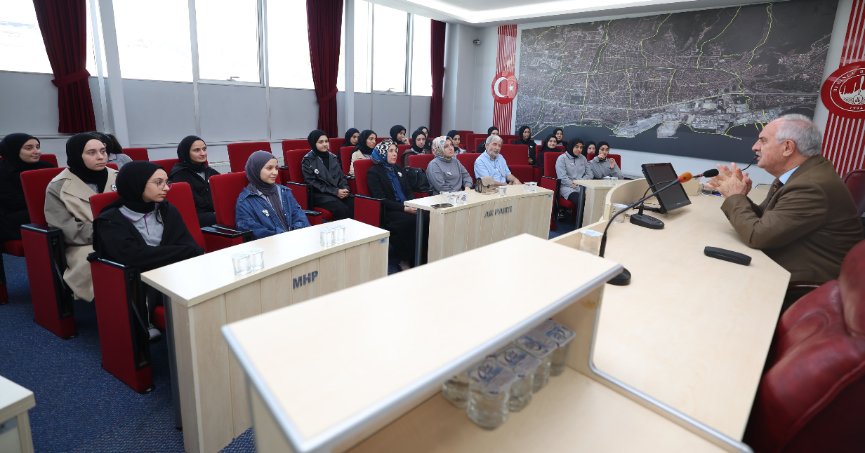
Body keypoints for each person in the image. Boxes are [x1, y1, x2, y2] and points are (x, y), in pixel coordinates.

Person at [708, 114, 863, 284]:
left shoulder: (810, 187)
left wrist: (735, 197)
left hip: (808, 286)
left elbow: (757, 235)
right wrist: (739, 196)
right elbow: (765, 220)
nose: (755, 147)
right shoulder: (803, 173)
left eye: (763, 141)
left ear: (788, 147)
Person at [93, 161, 204, 340]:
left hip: (171, 271)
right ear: (136, 183)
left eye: (167, 182)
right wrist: (178, 252)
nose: (166, 188)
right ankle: (148, 320)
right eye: (158, 182)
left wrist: (172, 253)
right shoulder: (110, 220)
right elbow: (133, 257)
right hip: (137, 279)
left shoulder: (166, 210)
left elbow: (191, 248)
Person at [45, 132, 118, 302]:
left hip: (123, 234)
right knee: (105, 260)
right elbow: (65, 227)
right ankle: (116, 309)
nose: (101, 157)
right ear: (77, 155)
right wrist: (104, 232)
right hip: (84, 242)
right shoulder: (58, 186)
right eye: (91, 153)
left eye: (103, 151)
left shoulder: (117, 176)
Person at [366, 140, 422, 270]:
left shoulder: (397, 168)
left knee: (425, 216)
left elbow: (408, 190)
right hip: (389, 210)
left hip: (406, 206)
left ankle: (420, 256)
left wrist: (413, 204)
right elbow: (381, 199)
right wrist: (404, 208)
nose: (395, 154)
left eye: (396, 151)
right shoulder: (373, 172)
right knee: (411, 221)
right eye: (390, 151)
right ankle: (404, 258)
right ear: (382, 153)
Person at [236, 151, 310, 239]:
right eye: (269, 168)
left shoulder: (284, 191)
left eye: (276, 168)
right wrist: (282, 236)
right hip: (270, 246)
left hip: (295, 240)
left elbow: (299, 215)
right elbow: (252, 230)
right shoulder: (246, 200)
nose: (275, 172)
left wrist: (294, 234)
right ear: (256, 169)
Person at [0, 133, 55, 241]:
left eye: (37, 147)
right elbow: (10, 202)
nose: (37, 152)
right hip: (14, 215)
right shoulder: (3, 171)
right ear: (14, 150)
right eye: (29, 148)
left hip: (46, 209)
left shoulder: (46, 167)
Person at [168, 135, 220, 226]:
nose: (203, 153)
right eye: (197, 150)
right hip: (195, 218)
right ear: (186, 153)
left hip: (214, 213)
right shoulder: (179, 175)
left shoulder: (210, 171)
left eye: (204, 149)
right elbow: (189, 208)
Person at [302, 130, 353, 220]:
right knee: (341, 208)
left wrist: (345, 189)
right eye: (321, 142)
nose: (325, 144)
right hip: (320, 194)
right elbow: (312, 183)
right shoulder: (308, 160)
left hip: (337, 191)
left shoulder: (333, 157)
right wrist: (335, 191)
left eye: (326, 141)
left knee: (354, 202)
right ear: (313, 143)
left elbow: (341, 177)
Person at [556, 140, 593, 226]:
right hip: (567, 187)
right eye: (576, 147)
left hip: (582, 185)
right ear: (571, 147)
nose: (579, 149)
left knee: (594, 197)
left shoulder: (583, 158)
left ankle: (592, 222)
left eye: (581, 147)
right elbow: (562, 177)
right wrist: (574, 184)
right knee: (581, 199)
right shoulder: (562, 158)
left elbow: (590, 174)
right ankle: (580, 225)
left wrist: (581, 182)